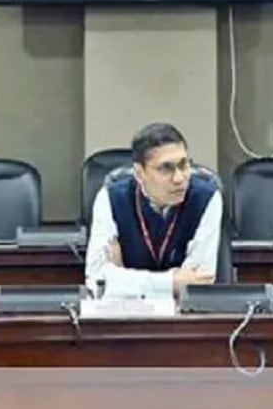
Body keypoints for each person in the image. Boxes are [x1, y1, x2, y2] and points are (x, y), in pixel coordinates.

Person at [85, 122, 222, 298]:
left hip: (185, 313)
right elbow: (97, 281)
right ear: (139, 173)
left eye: (184, 165)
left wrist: (122, 281)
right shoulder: (111, 198)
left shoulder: (207, 197)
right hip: (125, 311)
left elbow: (197, 285)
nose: (179, 178)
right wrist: (172, 282)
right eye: (166, 169)